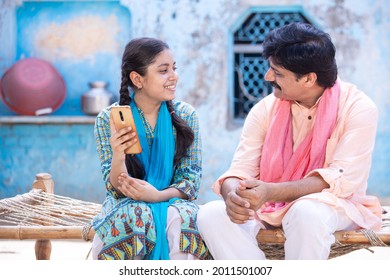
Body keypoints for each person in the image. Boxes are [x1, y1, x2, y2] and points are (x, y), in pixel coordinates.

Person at [197, 22, 382, 260]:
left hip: (335, 206)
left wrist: (270, 191)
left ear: (308, 79)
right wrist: (233, 194)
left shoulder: (357, 108)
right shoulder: (265, 109)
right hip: (267, 207)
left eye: (278, 73)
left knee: (306, 212)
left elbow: (341, 180)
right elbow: (241, 169)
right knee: (211, 214)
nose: (267, 76)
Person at [90, 37, 211, 260]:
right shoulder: (109, 119)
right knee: (136, 213)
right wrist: (119, 154)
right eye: (163, 70)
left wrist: (157, 196)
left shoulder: (185, 115)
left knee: (181, 217)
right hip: (126, 203)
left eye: (174, 68)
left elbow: (190, 182)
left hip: (172, 201)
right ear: (137, 79)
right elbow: (115, 188)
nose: (174, 76)